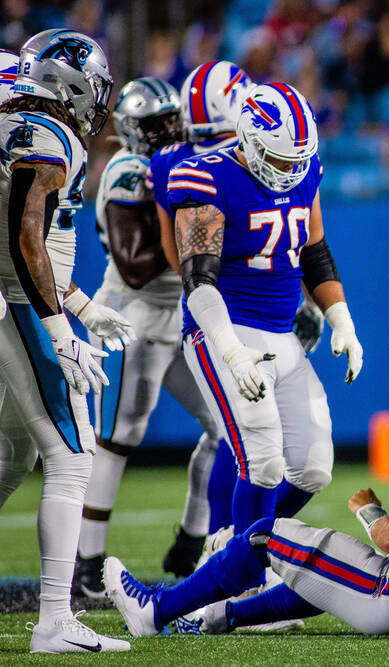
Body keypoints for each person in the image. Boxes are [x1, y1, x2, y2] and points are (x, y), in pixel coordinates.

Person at [103, 374, 389, 637]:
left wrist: (368, 508)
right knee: (327, 566)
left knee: (267, 534)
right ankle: (216, 618)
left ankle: (155, 612)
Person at [167, 82, 363, 576]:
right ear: (249, 142)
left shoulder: (303, 171)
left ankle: (236, 547)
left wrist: (342, 320)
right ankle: (241, 573)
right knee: (262, 460)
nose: (290, 172)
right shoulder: (206, 176)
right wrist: (230, 351)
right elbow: (197, 278)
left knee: (313, 467)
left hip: (282, 334)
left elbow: (315, 253)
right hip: (223, 329)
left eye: (297, 160)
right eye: (278, 160)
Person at [72, 77, 231, 599]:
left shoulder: (183, 161)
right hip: (130, 318)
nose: (167, 131)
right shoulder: (127, 172)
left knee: (225, 428)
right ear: (131, 130)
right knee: (118, 439)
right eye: (155, 124)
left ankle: (191, 539)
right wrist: (194, 239)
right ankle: (87, 564)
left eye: (171, 119)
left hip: (180, 315)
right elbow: (136, 268)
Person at [0, 29, 133, 653]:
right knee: (74, 456)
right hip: (19, 306)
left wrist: (82, 306)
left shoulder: (18, 120)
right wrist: (60, 329)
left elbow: (28, 244)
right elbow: (26, 239)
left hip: (20, 296)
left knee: (13, 453)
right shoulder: (47, 137)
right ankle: (55, 619)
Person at [146, 61, 255, 574]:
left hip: (208, 301)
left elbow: (176, 254)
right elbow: (184, 254)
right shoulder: (219, 163)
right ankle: (222, 546)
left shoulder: (170, 159)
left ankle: (210, 541)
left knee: (232, 435)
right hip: (229, 305)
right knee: (241, 437)